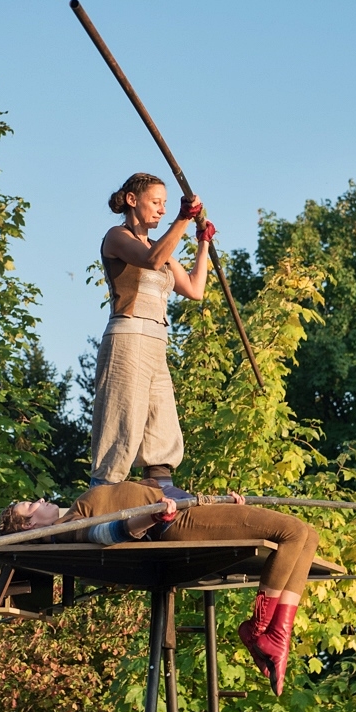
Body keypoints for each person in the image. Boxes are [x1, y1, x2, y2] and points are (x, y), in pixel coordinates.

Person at [0, 480, 319, 696]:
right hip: (175, 524)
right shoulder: (65, 529)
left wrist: (228, 507)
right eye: (30, 505)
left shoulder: (74, 509)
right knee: (291, 532)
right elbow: (107, 534)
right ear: (29, 526)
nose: (40, 500)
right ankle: (263, 630)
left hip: (192, 510)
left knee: (309, 534)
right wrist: (149, 518)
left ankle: (273, 635)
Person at [90, 173, 217, 500]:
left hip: (156, 341)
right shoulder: (117, 237)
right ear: (133, 200)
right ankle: (104, 492)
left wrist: (203, 242)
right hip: (127, 336)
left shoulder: (157, 247)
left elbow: (194, 289)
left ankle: (161, 485)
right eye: (156, 202)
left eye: (165, 204)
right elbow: (150, 260)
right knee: (122, 414)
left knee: (161, 414)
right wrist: (183, 219)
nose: (161, 209)